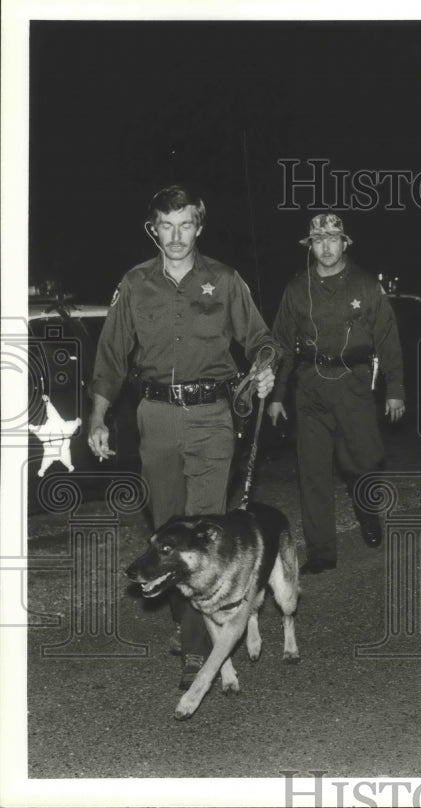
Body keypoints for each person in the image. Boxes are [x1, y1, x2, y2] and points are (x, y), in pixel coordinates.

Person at [88, 184, 278, 689]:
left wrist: (264, 368)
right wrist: (98, 416)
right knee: (168, 532)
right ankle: (191, 622)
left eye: (186, 224)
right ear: (154, 228)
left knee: (203, 533)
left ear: (200, 225)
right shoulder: (134, 284)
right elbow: (110, 357)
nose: (176, 236)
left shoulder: (225, 279)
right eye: (166, 226)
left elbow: (261, 339)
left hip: (213, 417)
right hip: (155, 417)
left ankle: (196, 649)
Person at [268, 213, 405, 575]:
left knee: (360, 462)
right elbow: (281, 344)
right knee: (312, 470)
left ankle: (367, 510)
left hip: (354, 385)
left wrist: (396, 390)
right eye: (318, 240)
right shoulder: (297, 289)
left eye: (333, 239)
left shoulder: (364, 285)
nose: (326, 247)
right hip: (310, 384)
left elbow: (388, 339)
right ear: (310, 246)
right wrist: (278, 394)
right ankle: (321, 551)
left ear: (345, 243)